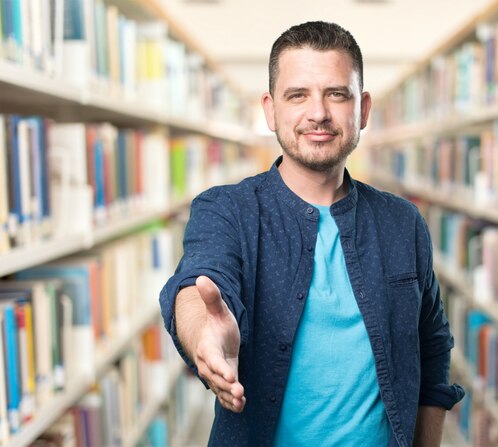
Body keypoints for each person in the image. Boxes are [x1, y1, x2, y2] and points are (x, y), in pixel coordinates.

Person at [159, 21, 464, 447]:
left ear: (363, 109)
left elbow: (433, 350)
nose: (318, 113)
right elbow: (196, 283)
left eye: (337, 94)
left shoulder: (403, 222)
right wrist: (204, 338)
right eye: (297, 95)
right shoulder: (227, 209)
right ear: (270, 110)